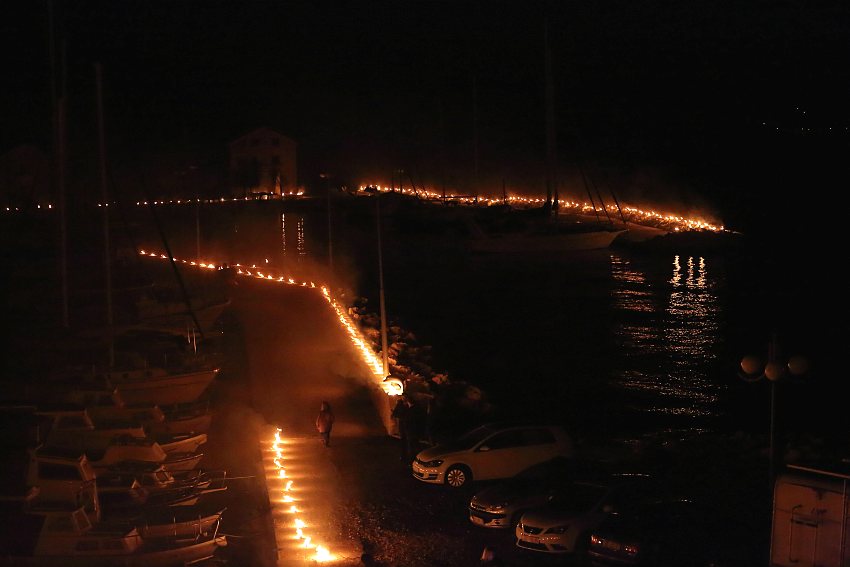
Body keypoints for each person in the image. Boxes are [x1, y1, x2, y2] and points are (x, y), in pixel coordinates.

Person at [391, 395, 416, 461]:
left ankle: (411, 459)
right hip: (403, 428)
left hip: (409, 428)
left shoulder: (411, 406)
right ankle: (404, 456)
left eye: (405, 397)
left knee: (411, 444)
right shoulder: (401, 405)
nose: (404, 398)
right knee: (404, 443)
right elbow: (395, 414)